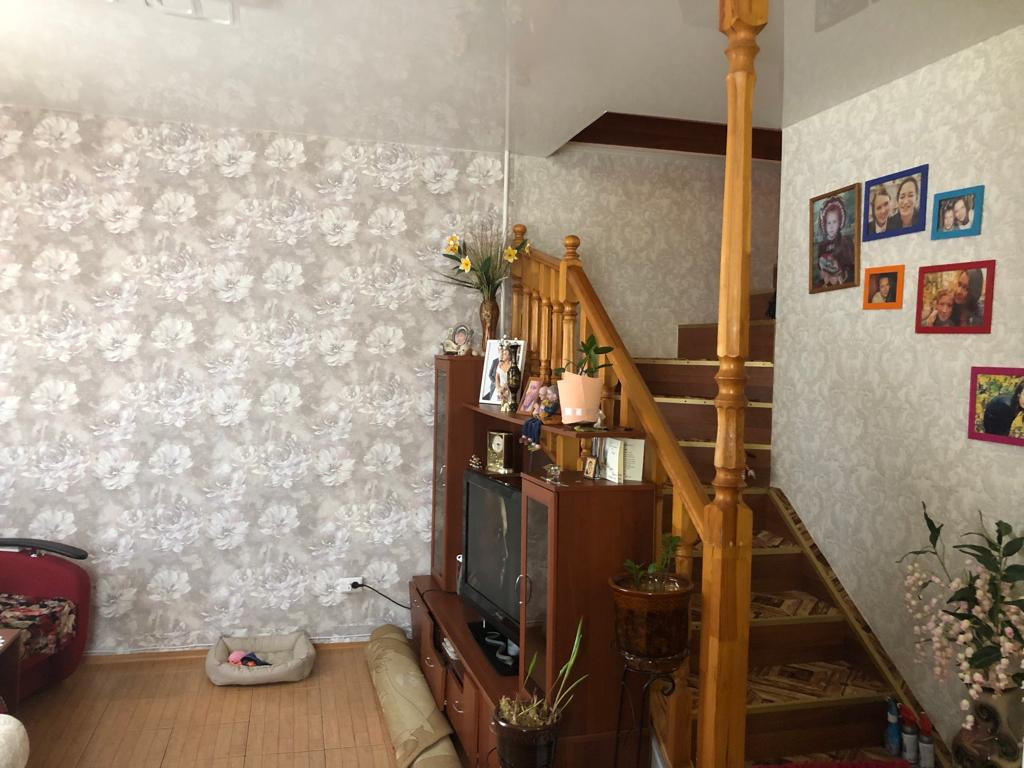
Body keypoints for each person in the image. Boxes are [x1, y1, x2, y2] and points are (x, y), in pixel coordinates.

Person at [815, 197, 853, 287]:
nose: (831, 226)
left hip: (841, 279)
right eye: (828, 223)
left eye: (834, 222)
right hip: (827, 280)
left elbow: (849, 264)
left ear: (840, 223)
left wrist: (841, 274)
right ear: (824, 225)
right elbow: (820, 266)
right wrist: (823, 273)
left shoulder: (845, 242)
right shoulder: (822, 246)